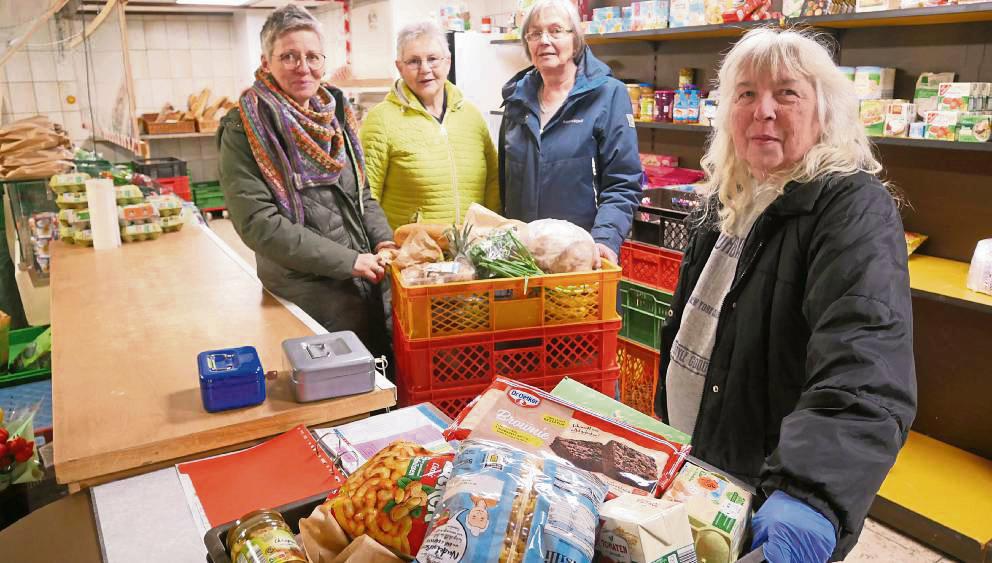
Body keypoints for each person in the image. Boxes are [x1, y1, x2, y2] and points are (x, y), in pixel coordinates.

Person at [655, 28, 917, 562]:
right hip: (700, 466)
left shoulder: (850, 209)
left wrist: (807, 495)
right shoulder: (726, 196)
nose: (763, 110)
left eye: (787, 93)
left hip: (771, 485)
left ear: (825, 111)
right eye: (746, 93)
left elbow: (865, 364)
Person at [217, 5, 394, 359]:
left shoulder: (334, 113)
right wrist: (348, 261)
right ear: (266, 62)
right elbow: (258, 225)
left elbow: (362, 195)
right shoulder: (245, 127)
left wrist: (385, 241)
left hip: (363, 282)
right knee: (338, 398)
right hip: (307, 293)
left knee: (379, 382)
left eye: (313, 56)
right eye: (289, 56)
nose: (304, 67)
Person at [498, 0, 641, 265]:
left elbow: (623, 181)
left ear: (575, 41)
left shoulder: (608, 95)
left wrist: (605, 239)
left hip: (581, 258)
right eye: (535, 33)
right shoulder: (516, 101)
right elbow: (505, 186)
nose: (544, 40)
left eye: (555, 30)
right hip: (523, 261)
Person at [360, 21, 500, 230]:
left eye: (433, 59)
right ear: (400, 67)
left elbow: (492, 185)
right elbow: (365, 198)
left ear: (448, 62)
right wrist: (384, 247)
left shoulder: (472, 116)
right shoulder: (380, 120)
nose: (425, 69)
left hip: (471, 252)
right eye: (414, 61)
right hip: (411, 255)